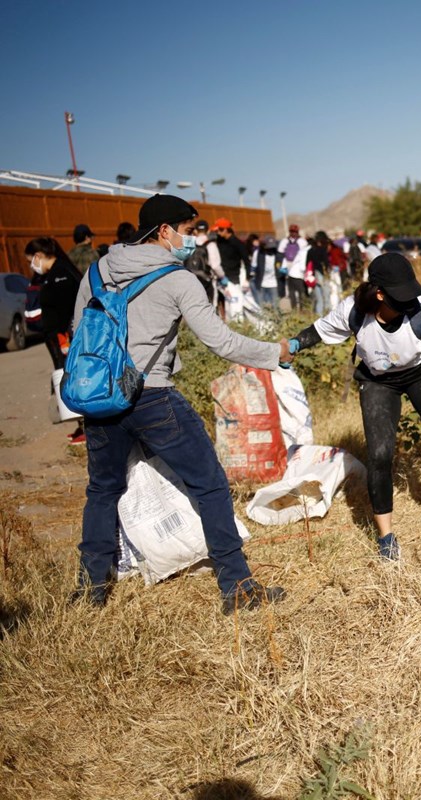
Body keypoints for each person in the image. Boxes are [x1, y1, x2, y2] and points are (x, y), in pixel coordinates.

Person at [70, 194, 294, 614]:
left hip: (100, 400)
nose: (193, 239)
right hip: (151, 398)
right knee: (209, 485)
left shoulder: (98, 271)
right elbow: (221, 342)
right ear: (165, 230)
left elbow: (78, 329)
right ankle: (238, 587)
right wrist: (274, 353)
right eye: (189, 231)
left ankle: (90, 590)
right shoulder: (178, 279)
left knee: (102, 490)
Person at [284, 253, 421, 561]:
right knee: (379, 454)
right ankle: (386, 537)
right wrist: (295, 343)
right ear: (379, 293)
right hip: (377, 381)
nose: (408, 301)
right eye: (399, 295)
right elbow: (320, 331)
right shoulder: (354, 311)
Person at [25, 237, 84, 444]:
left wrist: (65, 336)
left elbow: (68, 309)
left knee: (76, 379)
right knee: (68, 379)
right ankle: (81, 425)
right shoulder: (55, 273)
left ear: (38, 256)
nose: (32, 265)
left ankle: (87, 426)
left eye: (31, 260)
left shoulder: (61, 275)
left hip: (66, 339)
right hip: (59, 339)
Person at [184, 220, 217, 304]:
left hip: (189, 279)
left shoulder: (188, 243)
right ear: (208, 230)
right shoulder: (210, 244)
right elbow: (215, 266)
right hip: (205, 280)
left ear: (195, 230)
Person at [280, 224, 308, 312]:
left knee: (297, 292)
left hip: (292, 269)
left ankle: (299, 309)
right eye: (292, 232)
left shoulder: (285, 241)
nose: (293, 233)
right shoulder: (302, 241)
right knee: (297, 291)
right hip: (294, 270)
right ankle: (298, 309)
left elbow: (280, 253)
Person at [306, 231, 331, 317]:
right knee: (326, 298)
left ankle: (318, 318)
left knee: (319, 300)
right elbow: (326, 264)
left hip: (314, 277)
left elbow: (308, 265)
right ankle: (328, 316)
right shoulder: (322, 250)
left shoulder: (310, 251)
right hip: (322, 275)